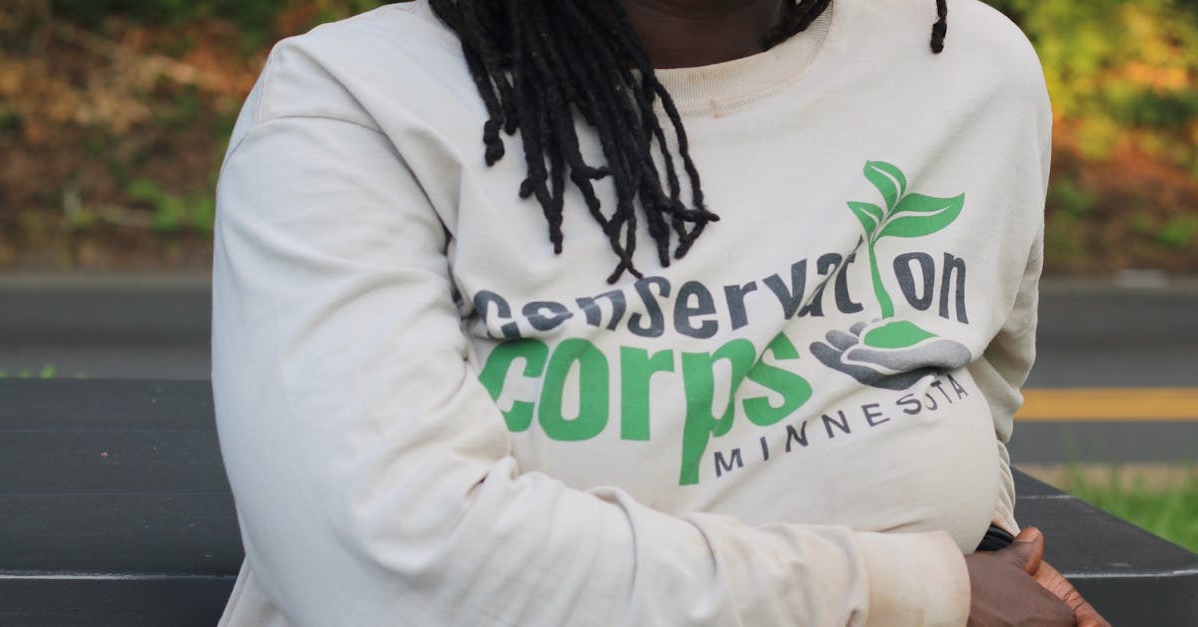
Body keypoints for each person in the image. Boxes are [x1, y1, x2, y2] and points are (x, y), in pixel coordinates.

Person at [211, 0, 1108, 624]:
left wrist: (997, 553)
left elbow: (966, 401)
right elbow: (385, 567)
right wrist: (915, 595)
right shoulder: (354, 105)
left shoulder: (966, 71)